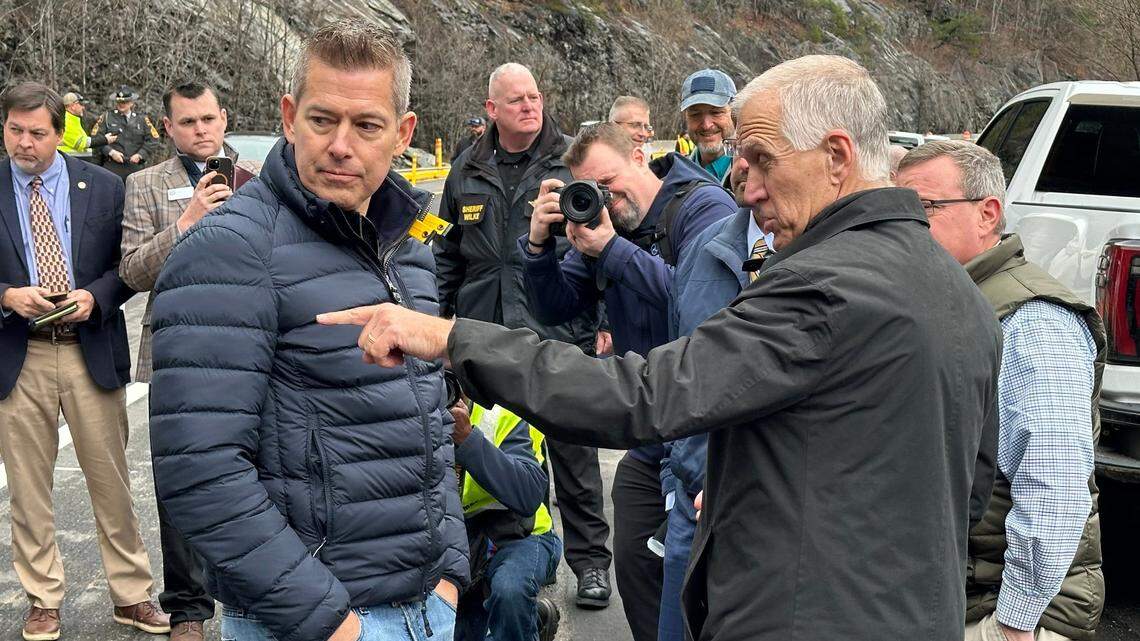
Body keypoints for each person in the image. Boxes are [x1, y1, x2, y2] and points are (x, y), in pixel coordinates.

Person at [320, 54, 1004, 641]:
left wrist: (449, 336)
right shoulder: (962, 294)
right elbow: (963, 490)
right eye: (740, 160)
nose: (746, 185)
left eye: (761, 158)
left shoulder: (823, 284)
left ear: (836, 157)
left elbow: (638, 394)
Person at [147, 22, 467, 641]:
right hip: (315, 622)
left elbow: (429, 425)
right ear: (290, 118)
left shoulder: (410, 247)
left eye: (367, 125)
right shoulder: (229, 250)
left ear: (403, 134)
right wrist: (329, 623)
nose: (341, 145)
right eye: (323, 120)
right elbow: (200, 468)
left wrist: (449, 568)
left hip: (427, 605)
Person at [522, 122, 735, 641]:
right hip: (649, 427)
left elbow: (695, 298)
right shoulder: (604, 226)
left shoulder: (702, 209)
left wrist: (611, 249)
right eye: (592, 190)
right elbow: (552, 307)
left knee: (695, 574)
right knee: (637, 563)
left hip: (701, 422)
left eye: (610, 182)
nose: (606, 198)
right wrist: (537, 248)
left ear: (641, 156)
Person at [896, 141, 1105, 641]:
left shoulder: (1035, 323)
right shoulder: (944, 299)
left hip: (1010, 615)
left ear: (988, 213)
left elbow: (1055, 484)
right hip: (953, 598)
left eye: (923, 208)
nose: (906, 227)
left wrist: (1016, 619)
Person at [434, 62, 613, 609]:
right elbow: (445, 251)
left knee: (572, 448)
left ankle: (589, 564)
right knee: (485, 450)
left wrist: (604, 321)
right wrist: (442, 328)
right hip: (484, 334)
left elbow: (605, 245)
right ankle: (498, 559)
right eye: (517, 100)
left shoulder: (569, 161)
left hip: (554, 329)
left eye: (535, 97)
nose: (530, 106)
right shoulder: (465, 169)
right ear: (492, 109)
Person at [0, 81, 169, 641]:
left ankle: (130, 595)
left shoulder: (100, 186)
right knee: (28, 489)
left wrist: (95, 297)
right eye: (15, 130)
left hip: (87, 350)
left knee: (112, 483)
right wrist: (6, 295)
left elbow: (129, 268)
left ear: (60, 132)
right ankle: (43, 599)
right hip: (17, 355)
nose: (24, 143)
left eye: (37, 133)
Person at [119, 79, 260, 641]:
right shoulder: (145, 184)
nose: (200, 131)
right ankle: (188, 609)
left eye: (208, 119)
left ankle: (253, 598)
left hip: (247, 344)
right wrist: (186, 222)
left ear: (223, 118)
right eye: (187, 123)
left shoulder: (258, 175)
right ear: (168, 127)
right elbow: (131, 271)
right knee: (180, 484)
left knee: (256, 478)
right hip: (176, 350)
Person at [655, 150, 771, 641]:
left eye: (763, 153)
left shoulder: (828, 256)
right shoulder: (704, 247)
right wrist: (671, 477)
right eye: (741, 149)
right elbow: (674, 370)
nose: (744, 164)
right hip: (691, 505)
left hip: (768, 514)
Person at [451, 399, 562, 641]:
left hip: (522, 535)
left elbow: (529, 493)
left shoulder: (501, 413)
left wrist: (467, 439)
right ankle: (532, 620)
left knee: (509, 591)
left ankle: (522, 619)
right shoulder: (412, 417)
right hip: (463, 543)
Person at [91, 85, 162, 179]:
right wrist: (111, 152)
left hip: (135, 168)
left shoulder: (141, 119)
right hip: (112, 166)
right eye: (119, 101)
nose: (122, 104)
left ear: (131, 103)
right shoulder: (107, 117)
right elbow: (95, 139)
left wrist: (141, 154)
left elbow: (154, 140)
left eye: (125, 102)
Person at [679, 69, 736, 182]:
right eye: (695, 114)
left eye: (716, 112)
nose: (706, 125)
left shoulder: (755, 172)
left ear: (735, 114)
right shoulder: (674, 175)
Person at [57, 92, 117, 157]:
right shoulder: (67, 120)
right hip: (69, 161)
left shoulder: (73, 119)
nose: (83, 107)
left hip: (72, 160)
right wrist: (105, 140)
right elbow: (81, 143)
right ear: (73, 106)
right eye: (81, 104)